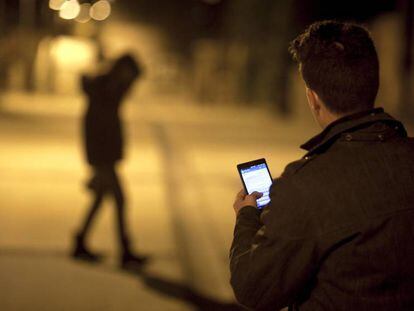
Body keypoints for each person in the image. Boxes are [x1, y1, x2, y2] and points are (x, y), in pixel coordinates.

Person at [230, 20, 414, 310]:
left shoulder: (303, 186)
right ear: (373, 83)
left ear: (313, 99)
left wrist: (247, 217)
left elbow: (254, 288)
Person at [72, 54, 148, 269]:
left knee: (99, 199)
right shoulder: (102, 92)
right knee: (120, 199)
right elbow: (94, 128)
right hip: (102, 157)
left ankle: (80, 242)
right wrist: (97, 160)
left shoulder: (108, 91)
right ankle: (125, 252)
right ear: (121, 70)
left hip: (105, 156)